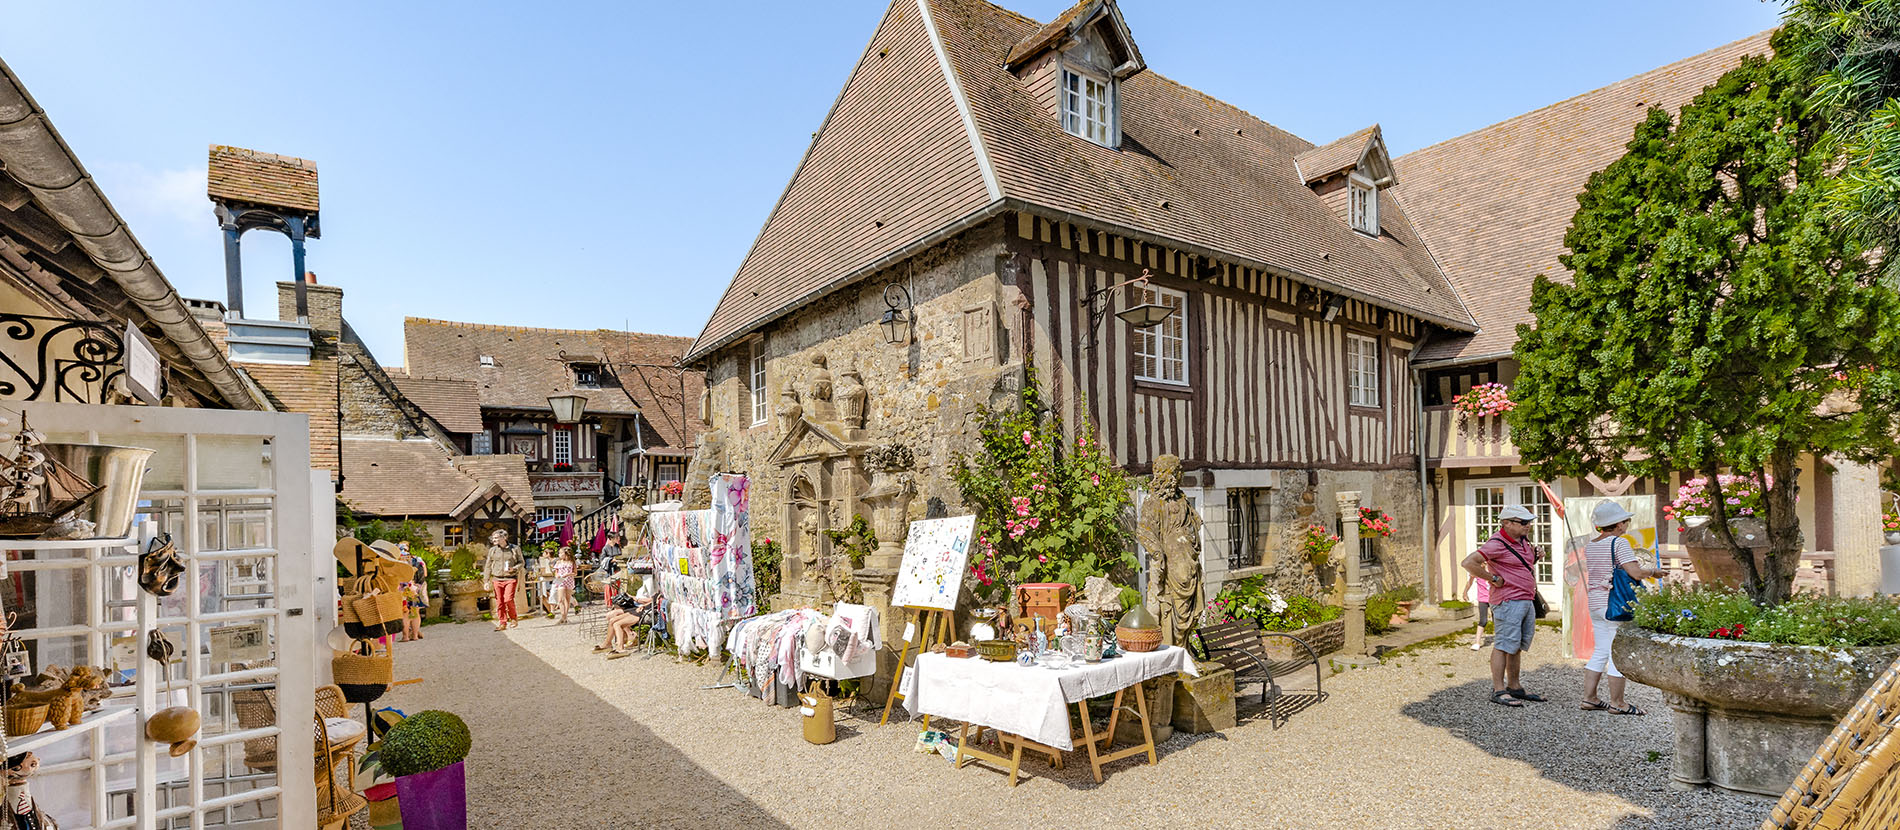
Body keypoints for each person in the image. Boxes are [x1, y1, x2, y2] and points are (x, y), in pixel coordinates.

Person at [1580, 502, 1667, 715]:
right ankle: (1618, 703)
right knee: (1616, 653)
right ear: (1618, 524)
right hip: (1615, 603)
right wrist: (1653, 572)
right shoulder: (1619, 543)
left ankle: (1590, 698)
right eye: (1626, 520)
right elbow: (1635, 573)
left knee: (1601, 650)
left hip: (1596, 603)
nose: (1627, 524)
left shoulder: (1591, 545)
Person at [1462, 503, 1547, 707]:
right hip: (1508, 600)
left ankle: (1514, 687)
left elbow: (1517, 565)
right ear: (1507, 523)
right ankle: (1498, 690)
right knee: (1503, 645)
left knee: (1515, 645)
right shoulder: (1497, 543)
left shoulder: (1522, 540)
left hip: (1525, 599)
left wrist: (1535, 556)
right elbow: (1468, 563)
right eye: (1524, 522)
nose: (1528, 526)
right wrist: (1492, 578)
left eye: (1530, 522)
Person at [596, 571, 655, 658]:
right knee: (612, 620)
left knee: (617, 623)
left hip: (644, 612)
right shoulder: (659, 592)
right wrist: (638, 602)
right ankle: (607, 644)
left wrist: (635, 599)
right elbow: (651, 601)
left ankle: (620, 648)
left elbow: (652, 601)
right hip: (641, 608)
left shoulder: (660, 594)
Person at [483, 529, 525, 631]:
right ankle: (502, 622)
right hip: (497, 578)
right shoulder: (492, 550)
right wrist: (486, 580)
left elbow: (521, 562)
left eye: (496, 538)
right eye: (493, 538)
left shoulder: (515, 549)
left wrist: (514, 568)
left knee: (508, 599)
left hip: (510, 578)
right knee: (500, 602)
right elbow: (488, 566)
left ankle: (513, 618)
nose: (494, 540)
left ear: (504, 538)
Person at [1465, 563, 1491, 651]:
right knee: (1483, 621)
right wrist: (1465, 592)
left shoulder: (1492, 571)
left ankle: (1501, 640)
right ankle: (1477, 642)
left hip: (1494, 599)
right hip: (1483, 599)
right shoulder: (1476, 573)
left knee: (1498, 620)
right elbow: (1469, 582)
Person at [549, 548, 577, 624]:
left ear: (566, 554)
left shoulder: (572, 562)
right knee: (560, 599)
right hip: (561, 581)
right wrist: (557, 575)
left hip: (569, 580)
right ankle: (563, 615)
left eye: (561, 553)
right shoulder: (558, 562)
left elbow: (575, 573)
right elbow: (556, 572)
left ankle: (564, 617)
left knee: (567, 599)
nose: (559, 554)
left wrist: (568, 574)